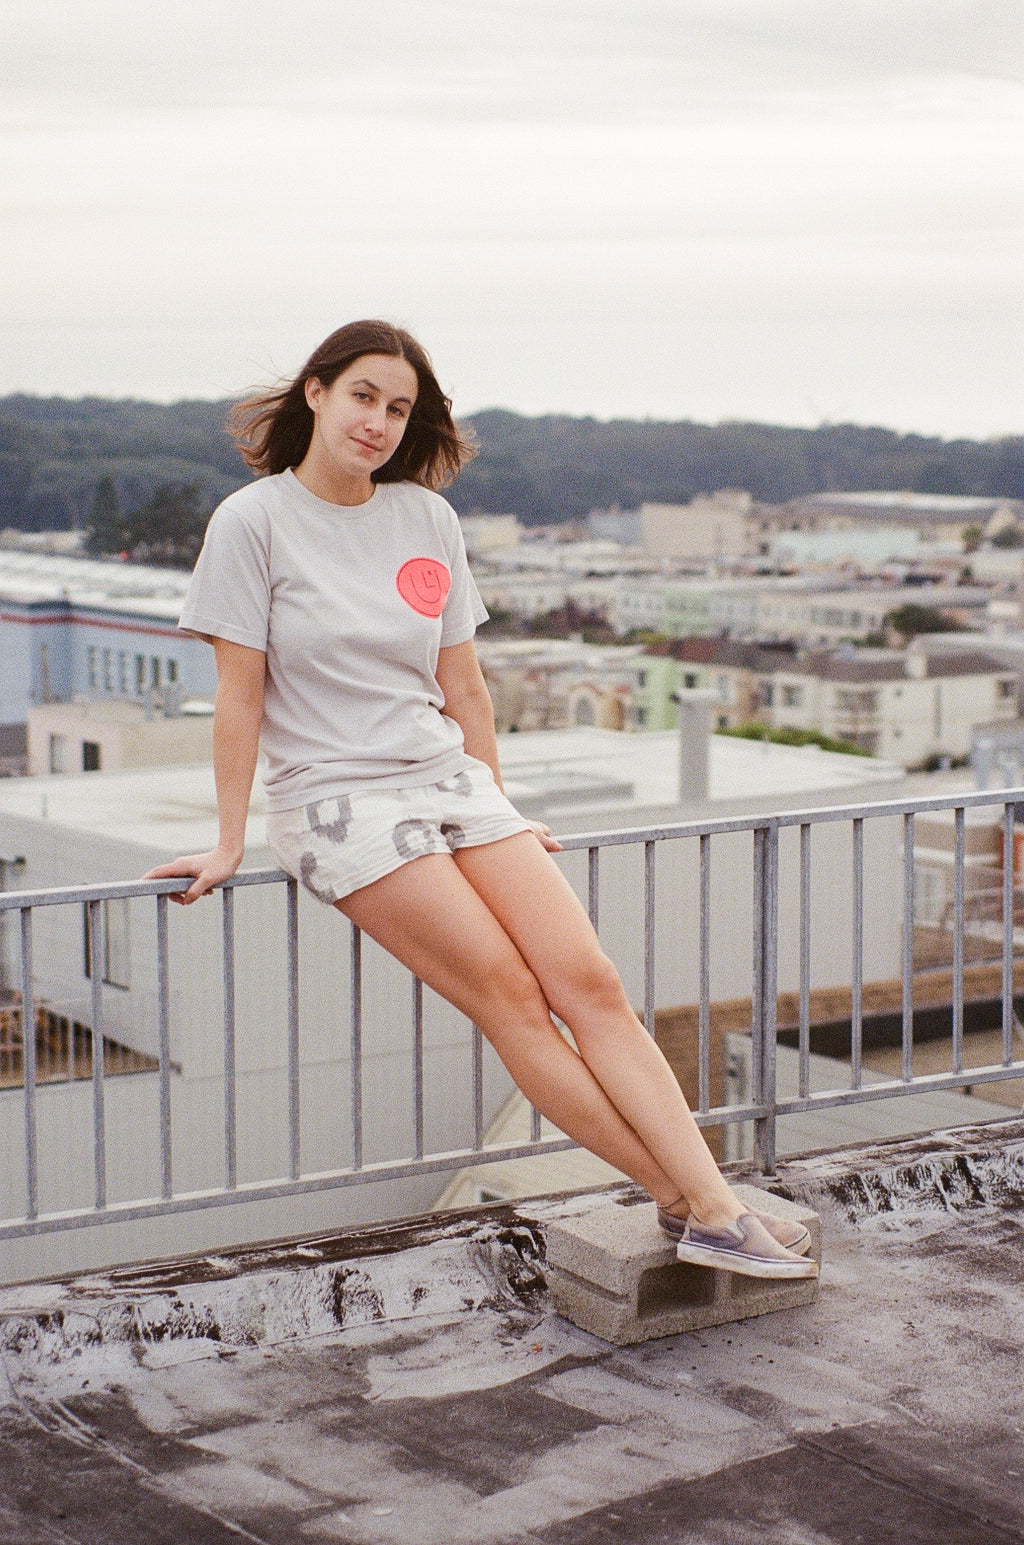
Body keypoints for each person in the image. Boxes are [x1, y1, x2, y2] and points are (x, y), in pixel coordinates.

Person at [145, 320, 815, 1281]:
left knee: (594, 987)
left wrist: (496, 807)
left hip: (448, 780)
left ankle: (702, 1201)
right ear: (316, 393)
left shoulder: (426, 520)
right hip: (339, 801)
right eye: (364, 396)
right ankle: (705, 1202)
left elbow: (464, 688)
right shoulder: (251, 523)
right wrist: (225, 840)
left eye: (399, 407)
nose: (379, 421)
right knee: (512, 997)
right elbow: (240, 698)